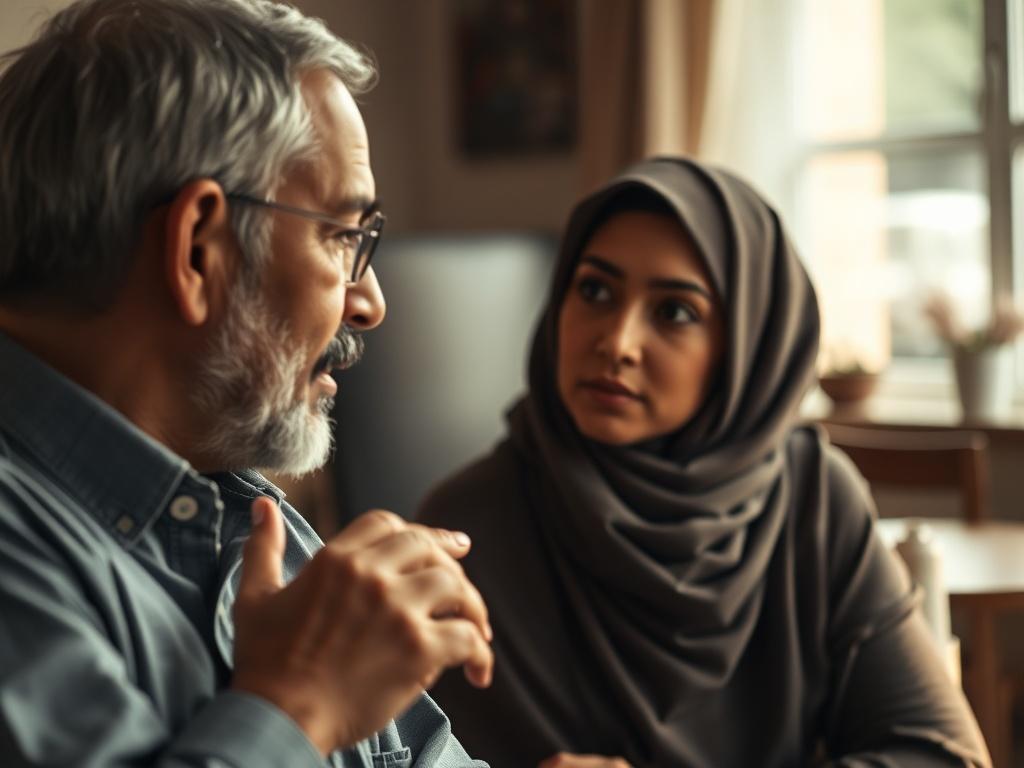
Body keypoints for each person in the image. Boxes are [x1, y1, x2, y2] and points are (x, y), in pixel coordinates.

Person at [0, 1, 493, 766]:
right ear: (200, 248)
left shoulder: (245, 510)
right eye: (343, 237)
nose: (370, 302)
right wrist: (299, 706)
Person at [418, 157, 990, 768]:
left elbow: (944, 757)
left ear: (744, 350)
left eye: (675, 312)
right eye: (594, 291)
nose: (617, 341)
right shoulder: (466, 527)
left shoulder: (811, 499)